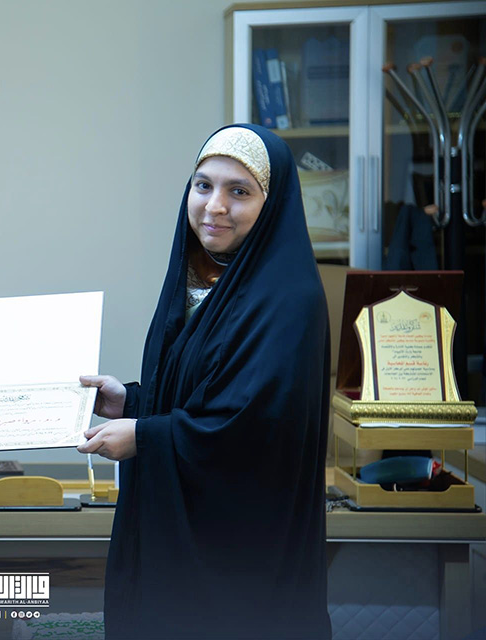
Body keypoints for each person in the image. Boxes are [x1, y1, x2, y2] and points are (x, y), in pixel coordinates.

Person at [79, 124, 331, 639]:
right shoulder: (199, 279)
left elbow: (257, 425)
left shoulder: (288, 300)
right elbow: (208, 392)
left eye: (239, 191)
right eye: (203, 185)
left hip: (241, 563)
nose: (215, 206)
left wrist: (146, 436)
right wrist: (132, 403)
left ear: (272, 204)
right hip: (180, 549)